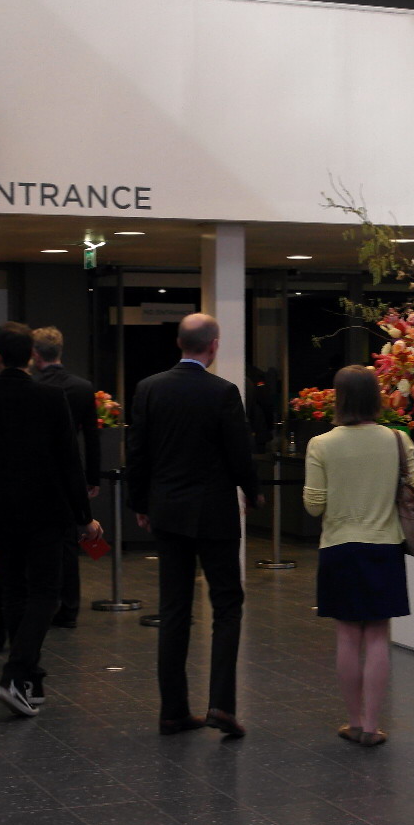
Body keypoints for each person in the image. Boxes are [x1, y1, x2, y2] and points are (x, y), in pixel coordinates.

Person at [127, 313, 260, 738]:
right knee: (226, 605)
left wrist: (140, 502)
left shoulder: (149, 389)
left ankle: (173, 710)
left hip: (167, 510)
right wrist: (252, 492)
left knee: (174, 610)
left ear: (179, 344)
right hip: (214, 512)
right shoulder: (223, 392)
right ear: (214, 345)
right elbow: (238, 451)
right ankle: (221, 704)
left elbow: (139, 451)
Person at [0, 322, 100, 717]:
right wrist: (84, 517)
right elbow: (68, 462)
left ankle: (29, 679)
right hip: (46, 510)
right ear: (32, 357)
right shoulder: (51, 397)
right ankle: (16, 671)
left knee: (14, 588)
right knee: (45, 593)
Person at [303, 365, 414, 747]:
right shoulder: (398, 440)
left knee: (348, 636)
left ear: (339, 397)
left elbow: (313, 506)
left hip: (338, 547)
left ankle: (353, 723)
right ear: (375, 396)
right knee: (379, 634)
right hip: (384, 546)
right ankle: (372, 725)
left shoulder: (321, 444)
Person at [30, 326, 101, 629]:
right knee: (69, 542)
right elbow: (92, 438)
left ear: (34, 354)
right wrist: (92, 478)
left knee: (35, 542)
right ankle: (69, 607)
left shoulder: (30, 385)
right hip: (69, 473)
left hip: (34, 474)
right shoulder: (82, 387)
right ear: (60, 350)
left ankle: (40, 603)